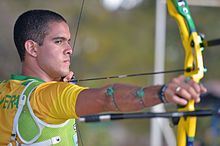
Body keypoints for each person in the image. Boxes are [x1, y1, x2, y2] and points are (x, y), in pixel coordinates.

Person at [0, 9, 206, 146]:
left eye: (68, 41)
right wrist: (162, 93)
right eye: (59, 41)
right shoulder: (50, 97)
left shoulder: (4, 91)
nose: (69, 49)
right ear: (32, 48)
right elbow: (106, 97)